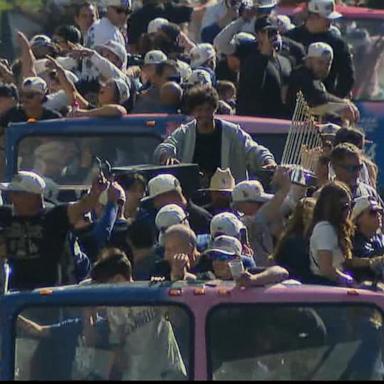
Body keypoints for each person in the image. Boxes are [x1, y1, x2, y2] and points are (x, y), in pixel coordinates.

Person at [0, 170, 108, 291]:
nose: (11, 197)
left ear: (33, 196)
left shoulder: (54, 216)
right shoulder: (6, 215)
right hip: (14, 297)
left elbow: (83, 206)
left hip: (50, 296)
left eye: (16, 193)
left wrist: (95, 193)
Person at [154, 85, 276, 186]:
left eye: (207, 109)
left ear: (215, 109)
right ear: (193, 112)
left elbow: (253, 149)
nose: (204, 114)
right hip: (194, 195)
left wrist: (267, 161)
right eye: (199, 110)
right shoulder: (185, 132)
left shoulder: (232, 132)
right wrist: (167, 155)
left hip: (229, 195)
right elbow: (167, 145)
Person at [285, 0, 354, 99]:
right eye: (326, 18)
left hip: (326, 101)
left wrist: (335, 100)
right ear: (313, 16)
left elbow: (347, 77)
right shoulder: (290, 38)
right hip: (293, 101)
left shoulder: (338, 44)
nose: (330, 22)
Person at [232, 166, 292, 266]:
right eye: (258, 203)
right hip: (248, 273)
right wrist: (284, 189)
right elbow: (261, 217)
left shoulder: (265, 222)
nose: (263, 206)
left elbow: (288, 203)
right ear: (242, 205)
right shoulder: (239, 223)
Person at [286, 42, 359, 121]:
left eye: (328, 64)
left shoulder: (315, 79)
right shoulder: (300, 77)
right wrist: (343, 105)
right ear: (309, 60)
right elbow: (317, 99)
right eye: (320, 62)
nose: (324, 68)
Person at [236, 16, 292, 118]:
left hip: (281, 118)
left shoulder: (285, 61)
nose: (272, 36)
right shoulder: (251, 61)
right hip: (257, 121)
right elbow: (253, 90)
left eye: (275, 31)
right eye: (265, 32)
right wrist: (265, 50)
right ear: (258, 35)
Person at [308, 181, 355, 285]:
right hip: (326, 286)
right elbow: (326, 269)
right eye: (345, 206)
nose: (349, 210)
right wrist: (351, 283)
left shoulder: (335, 228)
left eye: (351, 205)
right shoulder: (325, 229)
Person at [138, 174, 212, 236]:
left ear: (166, 197)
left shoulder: (202, 219)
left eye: (156, 199)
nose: (155, 204)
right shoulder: (204, 216)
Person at [274, 197, 317, 283]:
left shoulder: (290, 238)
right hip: (296, 285)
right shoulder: (293, 242)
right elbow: (303, 272)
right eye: (306, 217)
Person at [347, 196, 384, 282]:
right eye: (373, 212)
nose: (378, 215)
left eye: (380, 212)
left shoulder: (380, 238)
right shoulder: (352, 241)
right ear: (358, 218)